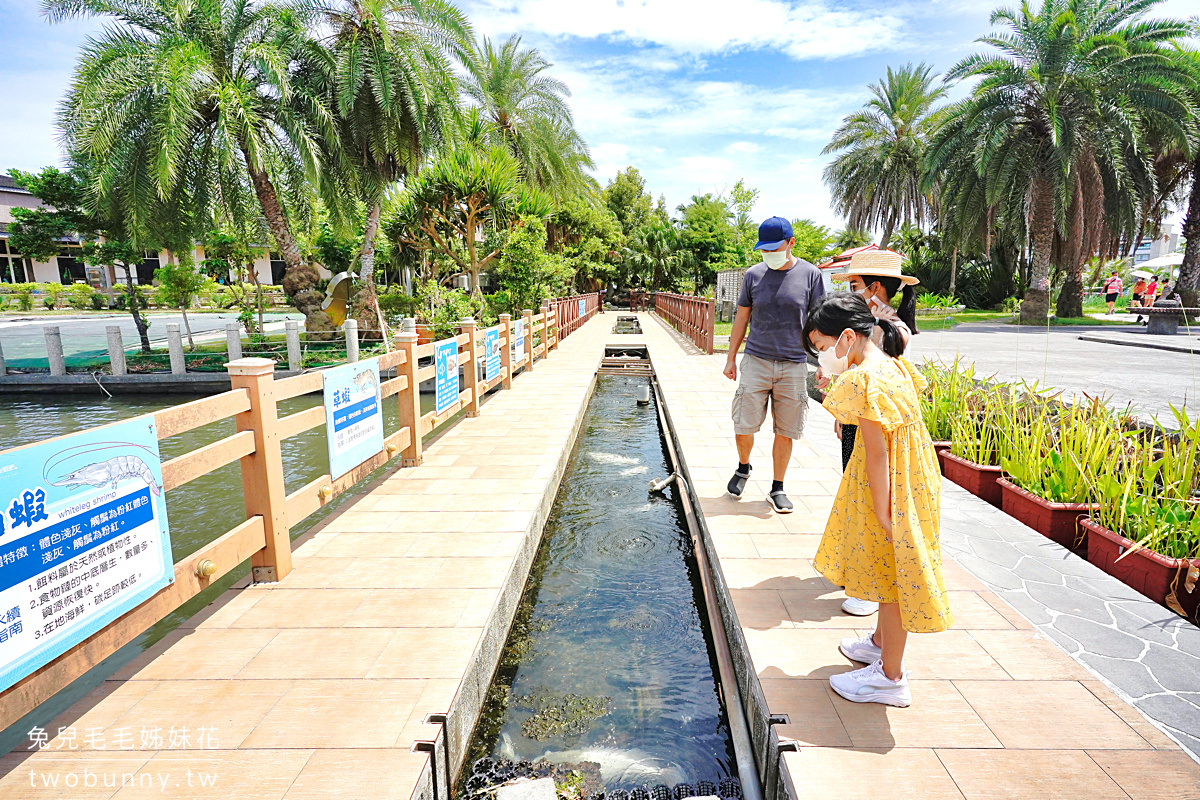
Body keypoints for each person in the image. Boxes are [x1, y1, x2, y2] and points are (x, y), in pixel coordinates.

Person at [803, 292, 952, 707]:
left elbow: (876, 451)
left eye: (821, 347)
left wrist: (886, 512)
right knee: (887, 569)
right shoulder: (892, 363)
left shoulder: (865, 379)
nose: (821, 357)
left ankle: (890, 677)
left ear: (846, 338)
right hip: (914, 477)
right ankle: (879, 645)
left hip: (893, 486)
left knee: (891, 577)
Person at [827, 249, 919, 617]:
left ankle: (872, 587)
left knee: (875, 499)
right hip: (862, 419)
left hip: (879, 425)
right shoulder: (871, 322)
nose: (851, 291)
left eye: (854, 284)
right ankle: (862, 573)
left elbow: (875, 372)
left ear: (875, 287)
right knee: (858, 492)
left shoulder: (892, 328)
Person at [723, 216, 825, 513]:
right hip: (756, 360)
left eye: (774, 248)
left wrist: (824, 362)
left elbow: (819, 321)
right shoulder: (753, 275)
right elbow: (741, 317)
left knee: (786, 429)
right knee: (743, 423)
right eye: (764, 249)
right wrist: (731, 358)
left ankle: (777, 487)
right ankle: (743, 467)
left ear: (791, 243)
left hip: (794, 364)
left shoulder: (811, 275)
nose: (769, 254)